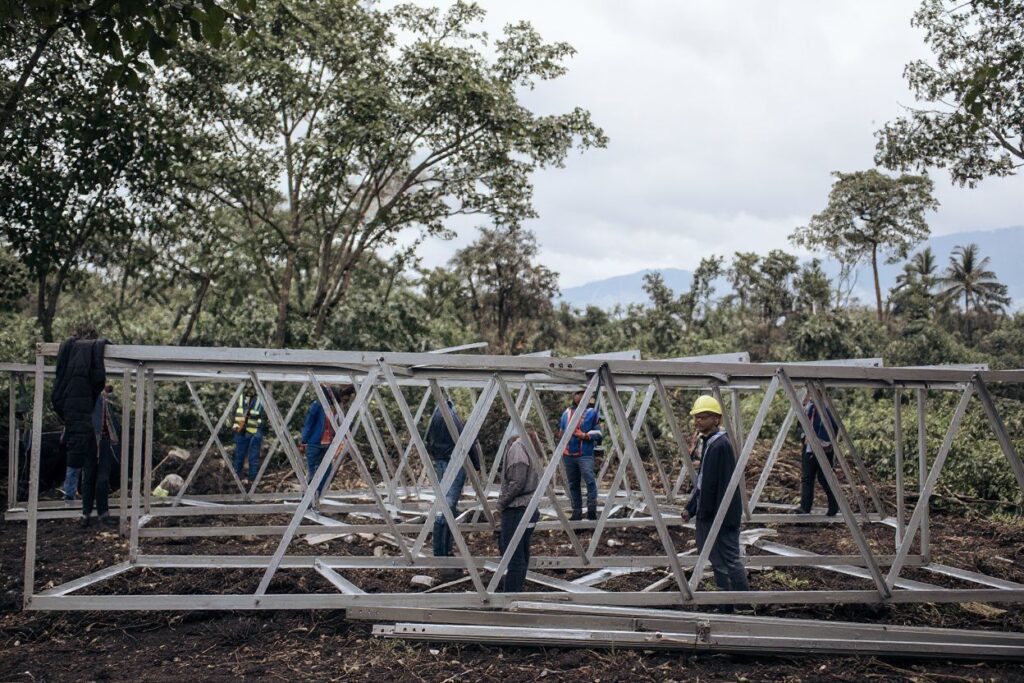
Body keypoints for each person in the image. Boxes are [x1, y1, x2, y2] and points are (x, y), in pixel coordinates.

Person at [682, 395, 750, 613]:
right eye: (696, 417)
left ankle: (743, 604)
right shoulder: (711, 442)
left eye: (703, 417)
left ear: (716, 419)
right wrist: (691, 508)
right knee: (717, 559)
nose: (698, 421)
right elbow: (703, 482)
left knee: (728, 558)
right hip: (713, 513)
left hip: (721, 514)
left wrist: (702, 512)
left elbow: (712, 486)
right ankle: (727, 605)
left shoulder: (720, 444)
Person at [51, 321, 107, 528]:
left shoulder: (91, 399)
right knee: (77, 467)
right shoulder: (92, 398)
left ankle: (86, 510)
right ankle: (72, 501)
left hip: (86, 433)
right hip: (82, 433)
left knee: (83, 469)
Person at [425, 396, 482, 580]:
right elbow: (469, 440)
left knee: (444, 507)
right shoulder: (453, 417)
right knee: (447, 509)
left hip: (442, 461)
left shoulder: (435, 417)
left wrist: (435, 455)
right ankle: (443, 555)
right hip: (455, 462)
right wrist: (476, 466)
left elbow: (427, 441)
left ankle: (443, 553)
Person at [495, 430, 542, 593]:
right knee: (521, 555)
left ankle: (510, 597)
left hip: (517, 509)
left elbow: (517, 481)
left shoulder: (517, 448)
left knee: (513, 557)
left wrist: (501, 504)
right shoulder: (530, 446)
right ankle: (514, 592)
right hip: (529, 507)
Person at [300, 385, 355, 499]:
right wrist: (304, 441)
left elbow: (338, 423)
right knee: (313, 473)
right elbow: (309, 424)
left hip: (326, 444)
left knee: (326, 471)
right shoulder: (317, 405)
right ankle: (308, 498)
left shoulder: (333, 408)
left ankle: (315, 495)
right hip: (314, 444)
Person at [557, 389, 603, 521]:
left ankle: (591, 512)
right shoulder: (566, 413)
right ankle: (576, 513)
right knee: (573, 484)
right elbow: (561, 431)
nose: (580, 396)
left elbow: (599, 434)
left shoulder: (592, 413)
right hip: (568, 454)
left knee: (590, 481)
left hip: (585, 454)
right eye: (578, 393)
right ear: (574, 396)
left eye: (583, 393)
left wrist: (585, 435)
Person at [82, 385, 120, 525]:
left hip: (102, 441)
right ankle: (87, 513)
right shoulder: (91, 399)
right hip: (91, 440)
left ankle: (99, 514)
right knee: (90, 477)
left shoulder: (102, 401)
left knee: (101, 478)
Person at [798, 399, 840, 516]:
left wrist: (821, 440)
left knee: (824, 478)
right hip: (809, 448)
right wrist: (804, 437)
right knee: (807, 478)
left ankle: (834, 505)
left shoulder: (827, 408)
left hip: (824, 448)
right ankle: (804, 508)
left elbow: (834, 427)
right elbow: (800, 425)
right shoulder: (808, 408)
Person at [231, 391, 265, 484]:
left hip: (255, 430)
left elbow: (264, 415)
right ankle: (236, 479)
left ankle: (252, 480)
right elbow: (234, 412)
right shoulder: (240, 396)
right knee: (239, 455)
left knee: (253, 457)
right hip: (241, 430)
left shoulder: (261, 398)